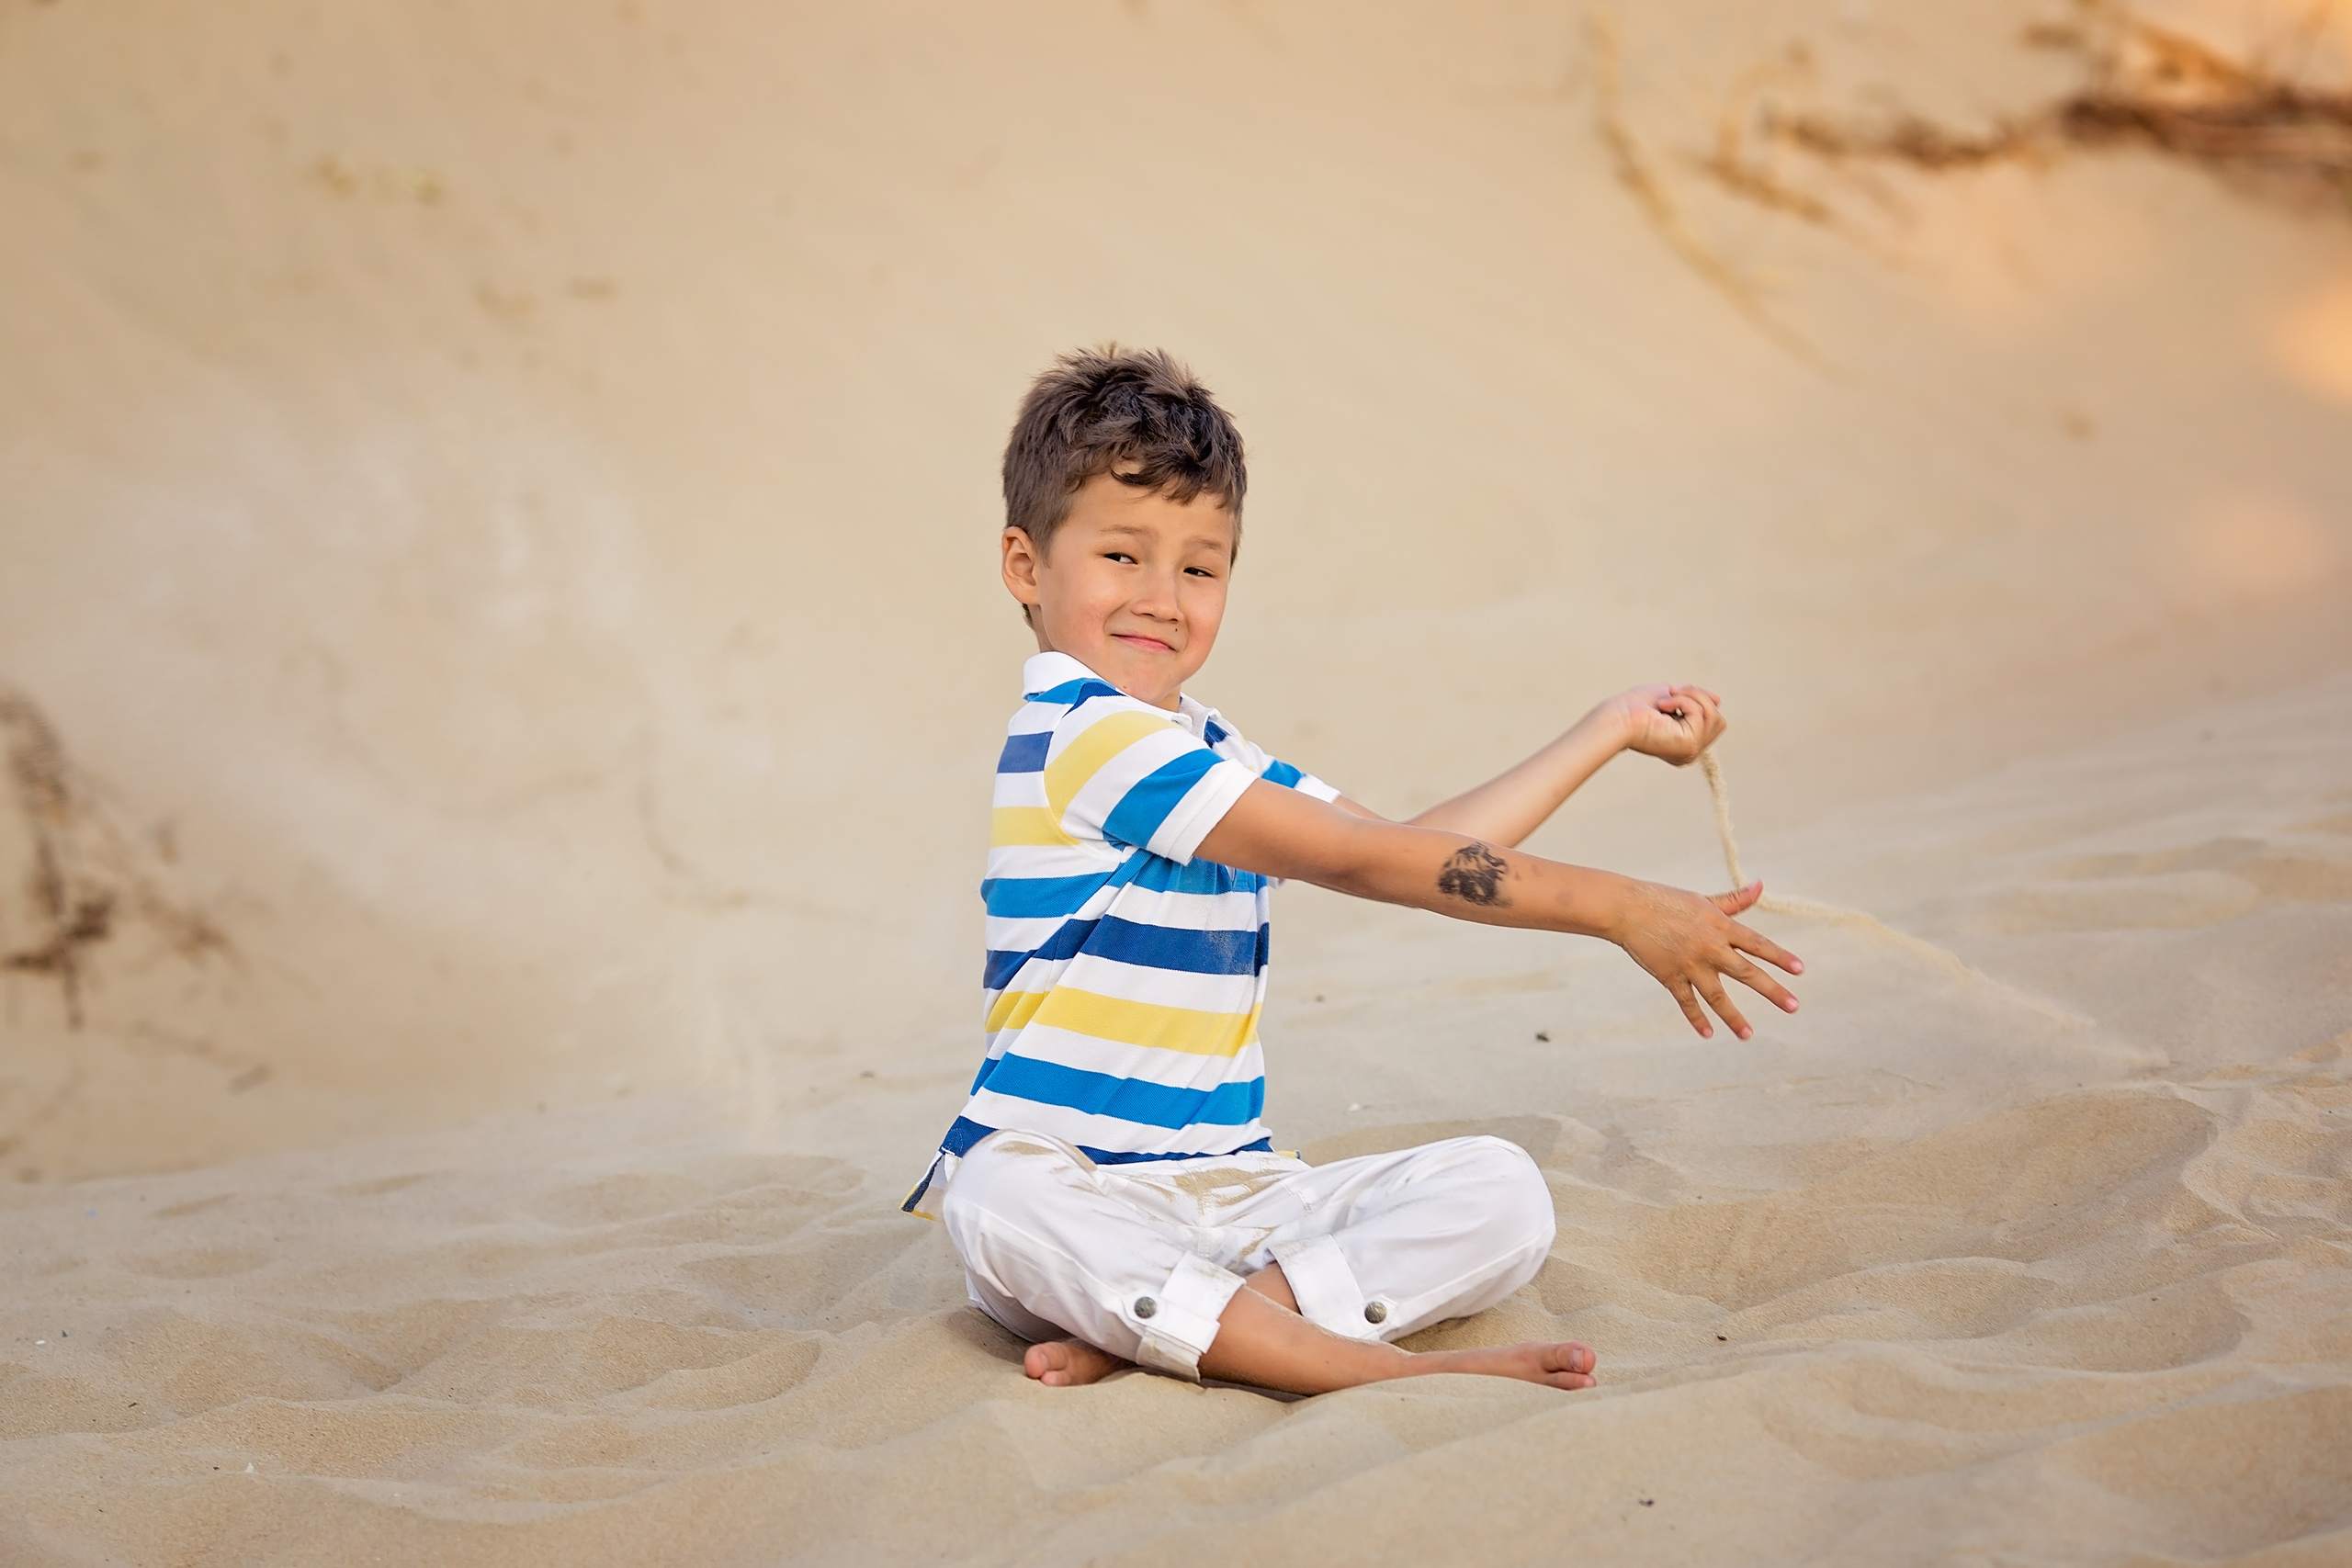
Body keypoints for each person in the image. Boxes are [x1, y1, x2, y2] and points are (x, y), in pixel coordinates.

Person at [904, 347, 1803, 1396]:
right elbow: (1370, 863)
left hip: (1234, 1199)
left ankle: (1215, 1326)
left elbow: (1410, 843)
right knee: (994, 1195)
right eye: (1120, 555)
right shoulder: (1085, 733)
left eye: (1199, 567)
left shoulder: (1209, 749)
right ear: (1026, 566)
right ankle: (1350, 1366)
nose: (1162, 596)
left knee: (1499, 1190)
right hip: (1081, 1197)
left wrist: (1604, 730)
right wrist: (1616, 906)